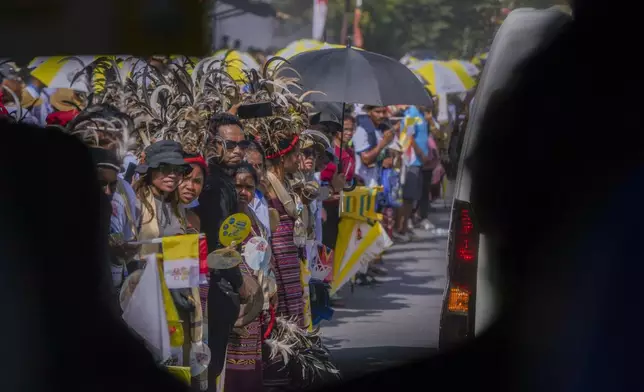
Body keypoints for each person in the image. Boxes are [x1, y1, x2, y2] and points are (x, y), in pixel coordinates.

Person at [194, 112, 251, 390]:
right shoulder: (213, 185)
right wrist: (240, 283)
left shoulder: (224, 180)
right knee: (209, 363)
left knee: (213, 365)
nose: (238, 150)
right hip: (214, 283)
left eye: (243, 144)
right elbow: (218, 245)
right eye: (231, 144)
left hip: (216, 281)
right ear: (213, 144)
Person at [223, 163, 271, 392]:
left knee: (250, 367)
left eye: (248, 187)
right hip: (233, 299)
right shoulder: (226, 218)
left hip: (253, 303)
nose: (243, 192)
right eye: (237, 186)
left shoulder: (252, 216)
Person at [133, 140, 190, 255]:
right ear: (150, 171)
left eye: (178, 170)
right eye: (165, 168)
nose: (173, 175)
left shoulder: (177, 205)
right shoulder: (136, 203)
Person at [400, 105, 433, 236]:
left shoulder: (421, 114)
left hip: (419, 162)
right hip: (412, 159)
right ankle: (403, 225)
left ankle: (408, 223)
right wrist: (420, 154)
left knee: (414, 195)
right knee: (408, 196)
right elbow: (409, 136)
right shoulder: (411, 114)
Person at [352, 106, 395, 187]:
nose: (381, 115)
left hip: (378, 180)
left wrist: (388, 156)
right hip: (364, 182)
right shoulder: (361, 130)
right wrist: (383, 143)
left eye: (383, 112)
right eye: (377, 112)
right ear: (369, 112)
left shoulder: (383, 130)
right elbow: (366, 159)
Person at [245, 141, 271, 239]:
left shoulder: (261, 197)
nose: (257, 170)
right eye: (251, 165)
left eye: (259, 165)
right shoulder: (237, 197)